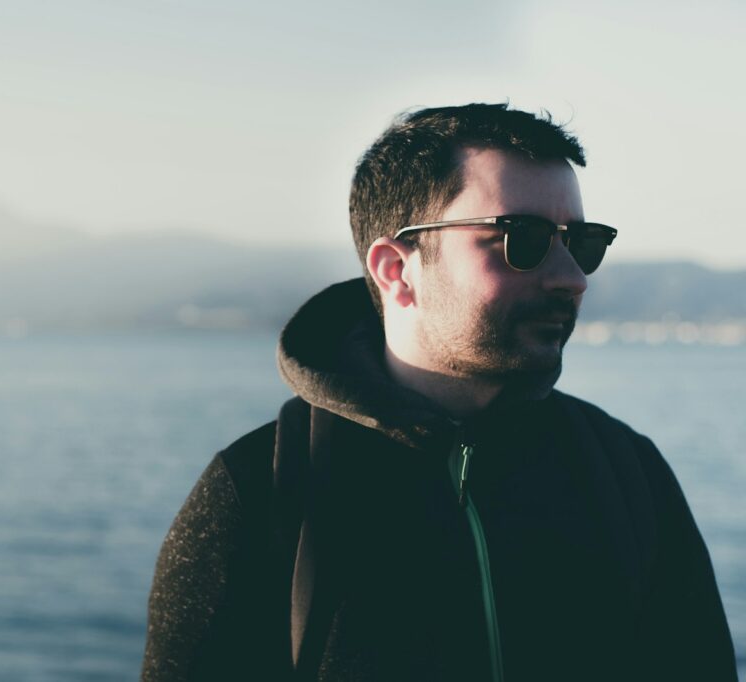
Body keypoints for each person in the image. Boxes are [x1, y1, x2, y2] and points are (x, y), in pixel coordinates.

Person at [139, 103, 737, 681]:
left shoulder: (626, 474)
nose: (572, 279)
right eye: (522, 239)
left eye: (581, 243)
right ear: (397, 270)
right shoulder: (261, 494)